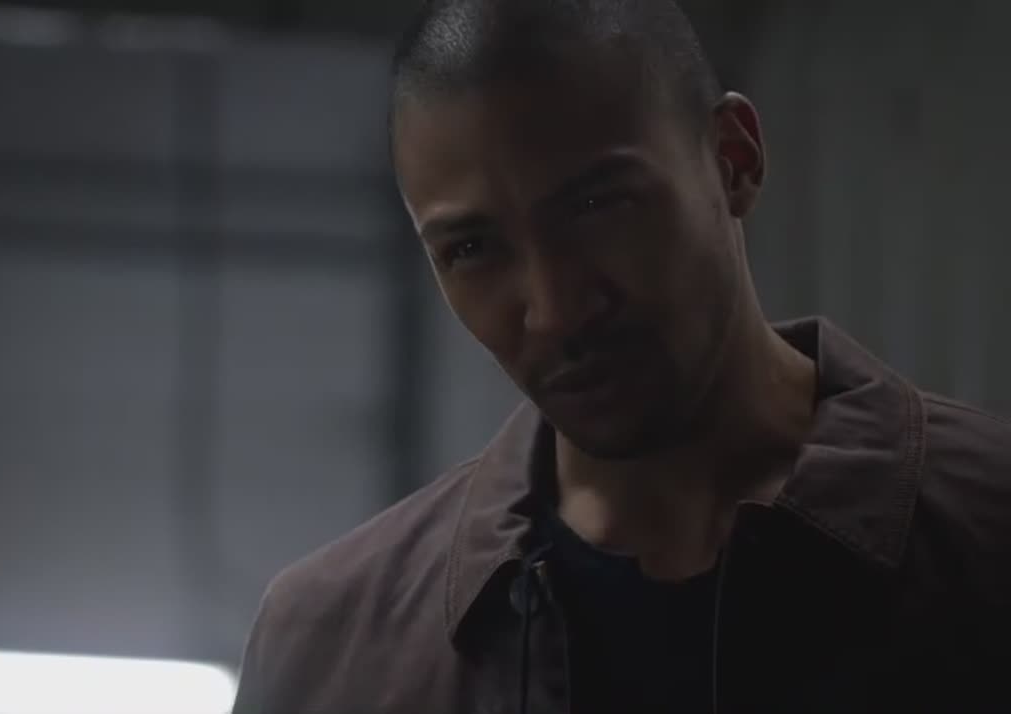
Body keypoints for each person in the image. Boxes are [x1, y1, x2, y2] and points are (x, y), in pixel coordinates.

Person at [231, 1, 1011, 712]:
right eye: (472, 249)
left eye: (599, 204)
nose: (556, 308)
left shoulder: (985, 537)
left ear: (733, 160)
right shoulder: (331, 649)